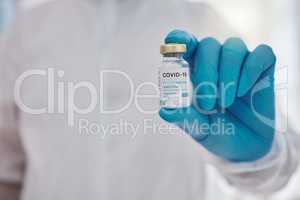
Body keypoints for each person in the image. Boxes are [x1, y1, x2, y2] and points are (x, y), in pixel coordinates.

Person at [0, 0, 299, 199]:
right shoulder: (26, 32)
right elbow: (6, 171)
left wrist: (256, 155)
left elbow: (280, 169)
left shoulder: (201, 19)